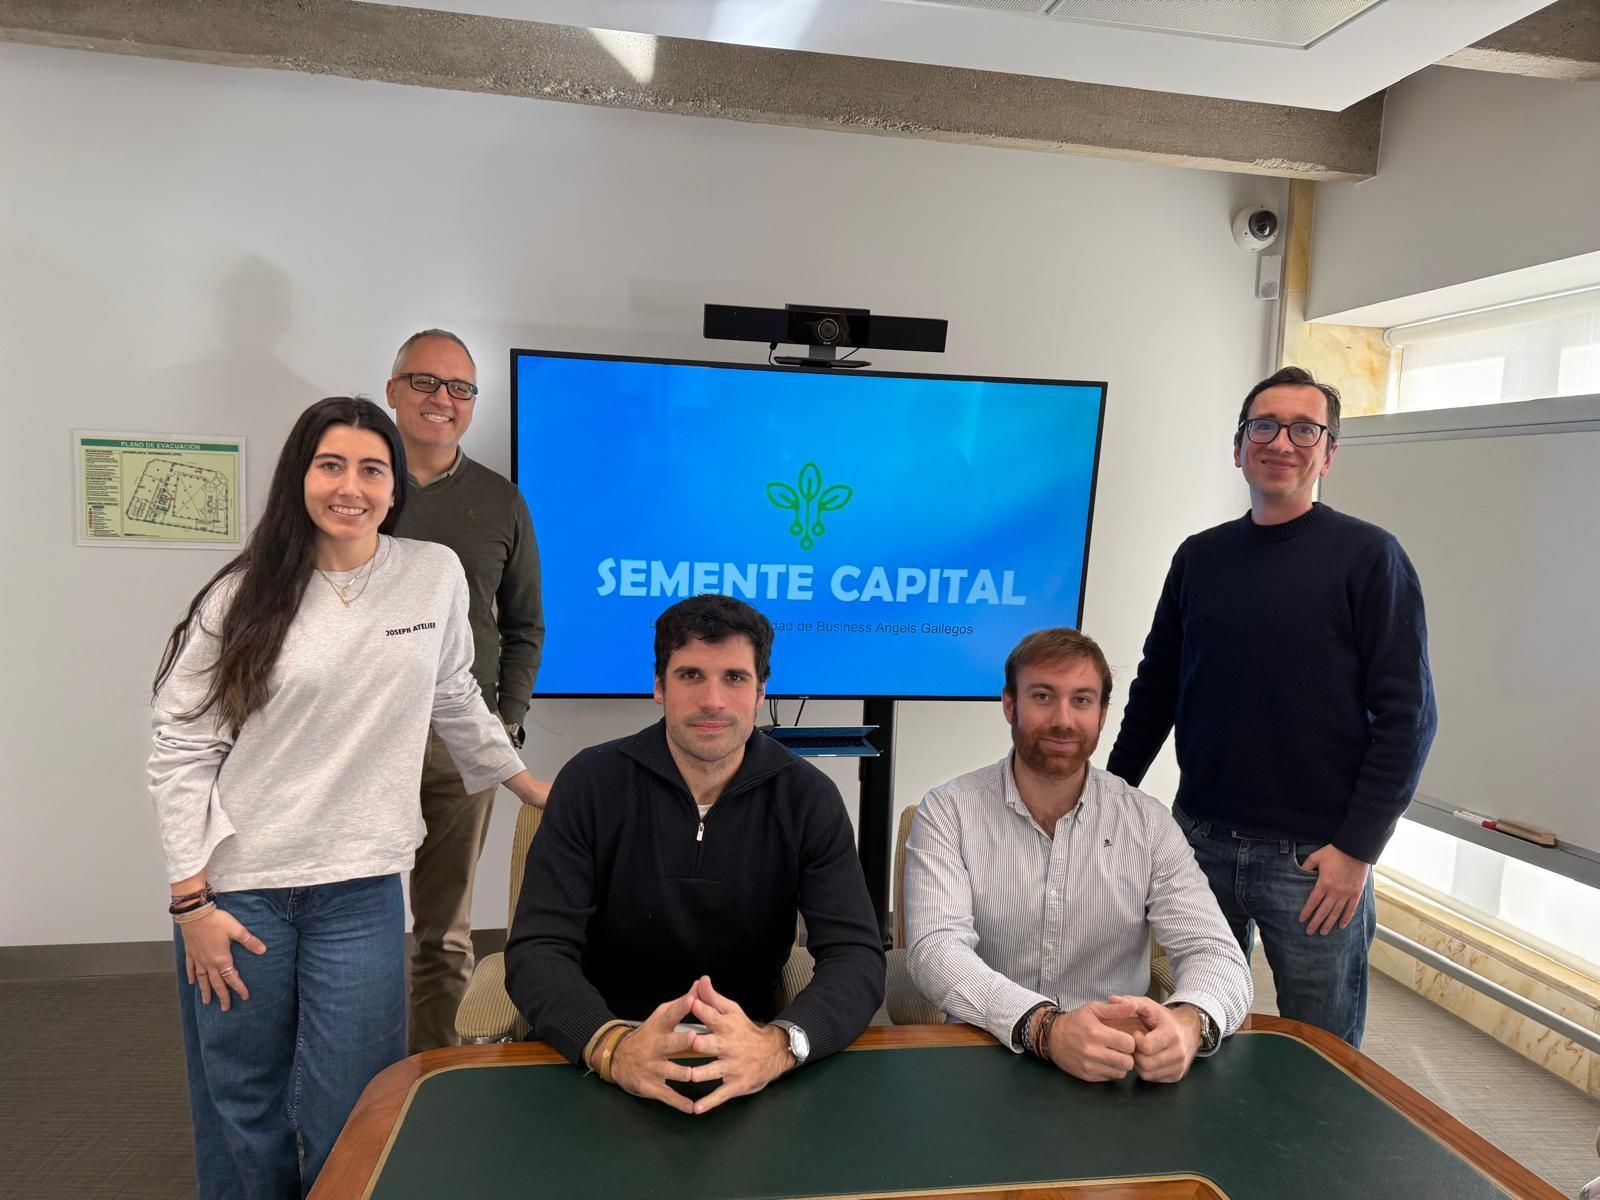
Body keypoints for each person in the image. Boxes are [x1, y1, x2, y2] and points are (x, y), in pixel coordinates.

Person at [148, 397, 549, 1198]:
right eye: (331, 465)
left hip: (362, 890)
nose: (350, 487)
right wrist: (191, 902)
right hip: (242, 892)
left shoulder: (429, 575)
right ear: (301, 475)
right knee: (245, 1107)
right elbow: (181, 747)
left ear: (394, 488)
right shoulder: (243, 595)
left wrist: (532, 787)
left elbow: (457, 699)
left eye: (372, 469)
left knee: (353, 1106)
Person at [1107, 366, 1437, 1048]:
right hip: (1197, 842)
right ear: (1239, 447)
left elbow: (1409, 718)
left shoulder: (1371, 558)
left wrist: (1357, 849)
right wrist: (1113, 795)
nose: (1281, 441)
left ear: (1328, 452)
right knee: (1199, 1034)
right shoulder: (1199, 558)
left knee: (1320, 1051)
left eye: (1304, 428)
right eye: (1265, 425)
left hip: (1316, 862)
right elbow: (1156, 687)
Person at [504, 594, 885, 1114]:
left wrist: (779, 1045)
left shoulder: (808, 798)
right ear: (659, 687)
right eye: (690, 676)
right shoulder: (591, 783)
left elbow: (857, 957)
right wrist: (611, 1047)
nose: (712, 700)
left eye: (734, 677)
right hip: (602, 1052)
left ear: (760, 691)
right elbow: (538, 949)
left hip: (749, 1055)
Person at [904, 627, 1252, 1084]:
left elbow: (1217, 953)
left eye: (1082, 700)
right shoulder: (948, 811)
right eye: (1043, 696)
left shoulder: (1146, 823)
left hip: (1118, 1069)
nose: (1063, 719)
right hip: (987, 1057)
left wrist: (1188, 1022)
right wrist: (1045, 1027)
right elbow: (935, 949)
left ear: (1103, 713)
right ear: (1010, 704)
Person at [384, 328, 546, 1052]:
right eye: (424, 382)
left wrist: (504, 724)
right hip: (363, 739)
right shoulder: (354, 486)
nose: (440, 400)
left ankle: (431, 1075)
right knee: (347, 926)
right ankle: (349, 1080)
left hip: (463, 739)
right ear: (393, 390)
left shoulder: (500, 501)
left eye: (459, 389)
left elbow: (525, 626)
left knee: (444, 930)